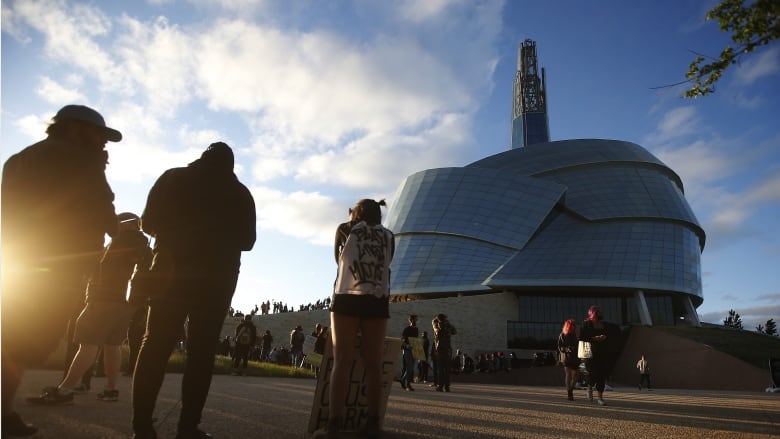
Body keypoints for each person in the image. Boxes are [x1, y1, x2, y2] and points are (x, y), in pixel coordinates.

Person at [1, 104, 121, 436]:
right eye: (98, 134)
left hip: (17, 260)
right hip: (58, 266)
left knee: (12, 335)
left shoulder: (21, 158)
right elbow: (104, 210)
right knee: (26, 341)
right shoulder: (80, 159)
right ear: (73, 128)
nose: (103, 143)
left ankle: (5, 412)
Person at [131, 142, 256, 439]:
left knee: (155, 345)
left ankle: (142, 427)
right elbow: (248, 242)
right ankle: (188, 428)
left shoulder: (173, 177)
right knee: (202, 353)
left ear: (201, 158)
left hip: (170, 273)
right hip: (217, 279)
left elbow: (147, 223)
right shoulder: (240, 194)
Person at [27, 212, 151, 406]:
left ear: (127, 224)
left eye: (118, 221)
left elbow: (99, 269)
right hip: (126, 303)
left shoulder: (120, 243)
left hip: (103, 299)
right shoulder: (143, 246)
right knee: (113, 345)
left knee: (88, 344)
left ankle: (65, 390)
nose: (114, 226)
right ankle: (111, 389)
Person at [313, 198, 395, 439]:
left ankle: (334, 425)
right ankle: (372, 424)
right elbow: (388, 263)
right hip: (377, 299)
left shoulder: (345, 229)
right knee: (373, 364)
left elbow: (338, 261)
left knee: (342, 361)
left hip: (346, 297)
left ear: (355, 213)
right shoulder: (389, 235)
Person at [580, 305, 619, 406]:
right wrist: (594, 338)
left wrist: (604, 337)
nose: (601, 313)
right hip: (590, 353)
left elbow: (611, 335)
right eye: (599, 311)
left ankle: (600, 398)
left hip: (603, 353)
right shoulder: (586, 324)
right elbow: (582, 336)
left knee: (602, 375)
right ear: (593, 313)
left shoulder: (604, 324)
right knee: (591, 374)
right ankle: (589, 387)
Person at [432, 314, 456, 392]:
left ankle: (443, 386)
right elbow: (453, 331)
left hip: (442, 349)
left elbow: (454, 331)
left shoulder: (438, 325)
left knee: (442, 369)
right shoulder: (438, 325)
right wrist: (447, 324)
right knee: (444, 369)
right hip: (443, 349)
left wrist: (446, 324)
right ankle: (444, 386)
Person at [557, 318, 580, 401]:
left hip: (576, 357)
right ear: (568, 326)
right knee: (568, 374)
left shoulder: (577, 334)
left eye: (575, 325)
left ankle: (570, 390)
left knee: (576, 376)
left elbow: (582, 344)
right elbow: (560, 347)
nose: (574, 326)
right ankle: (569, 393)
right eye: (572, 325)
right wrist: (566, 349)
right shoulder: (563, 334)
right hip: (567, 357)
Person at [400, 315, 419, 391]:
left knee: (411, 368)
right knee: (409, 367)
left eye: (416, 320)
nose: (416, 321)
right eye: (415, 319)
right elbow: (402, 340)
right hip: (407, 350)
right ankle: (408, 385)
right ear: (410, 320)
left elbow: (415, 340)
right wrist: (407, 345)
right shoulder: (407, 329)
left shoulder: (416, 329)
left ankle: (402, 380)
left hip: (413, 350)